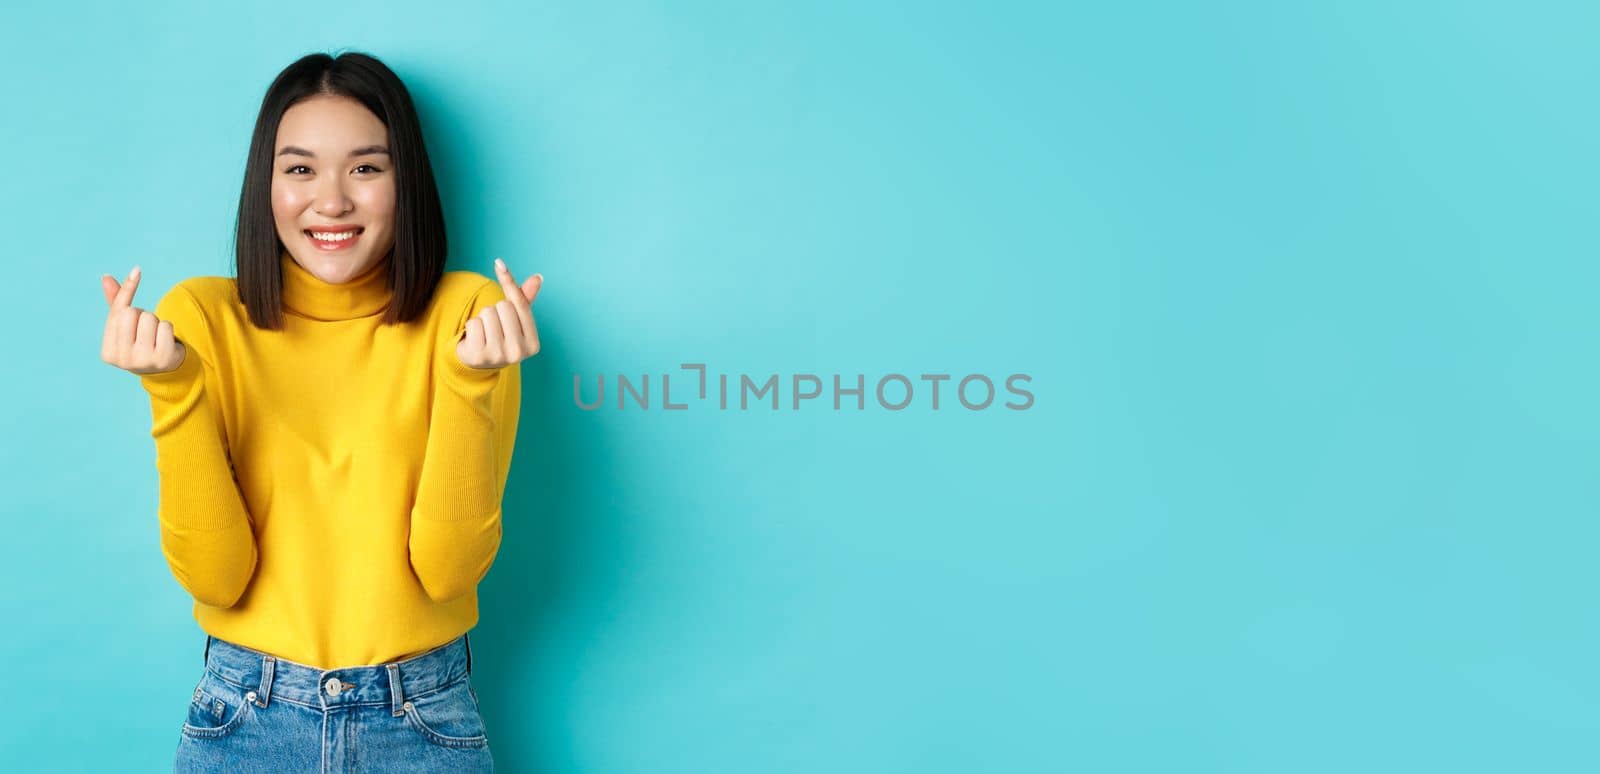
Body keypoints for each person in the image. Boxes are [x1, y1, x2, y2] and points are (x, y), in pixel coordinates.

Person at [97, 50, 543, 772]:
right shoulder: (202, 320)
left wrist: (468, 386)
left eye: (367, 168)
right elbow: (218, 580)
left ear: (407, 184)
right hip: (246, 712)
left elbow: (448, 573)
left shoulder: (468, 319)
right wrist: (176, 389)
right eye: (299, 169)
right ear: (264, 185)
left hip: (422, 715)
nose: (331, 201)